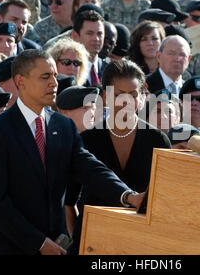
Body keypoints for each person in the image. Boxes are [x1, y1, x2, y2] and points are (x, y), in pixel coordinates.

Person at [0, 49, 144, 255]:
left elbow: (91, 169)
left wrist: (128, 196)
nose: (54, 83)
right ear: (20, 81)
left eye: (55, 76)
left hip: (56, 245)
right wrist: (39, 243)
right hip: (11, 246)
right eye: (45, 77)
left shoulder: (63, 126)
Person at [69, 59, 171, 253]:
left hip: (140, 243)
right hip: (91, 243)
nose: (126, 101)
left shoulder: (158, 140)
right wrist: (79, 240)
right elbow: (69, 202)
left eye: (133, 94)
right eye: (118, 95)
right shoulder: (86, 140)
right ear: (105, 97)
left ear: (143, 97)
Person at [71, 10, 107, 86]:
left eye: (100, 34)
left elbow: (110, 97)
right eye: (90, 33)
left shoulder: (109, 69)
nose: (96, 39)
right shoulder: (68, 68)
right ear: (75, 36)